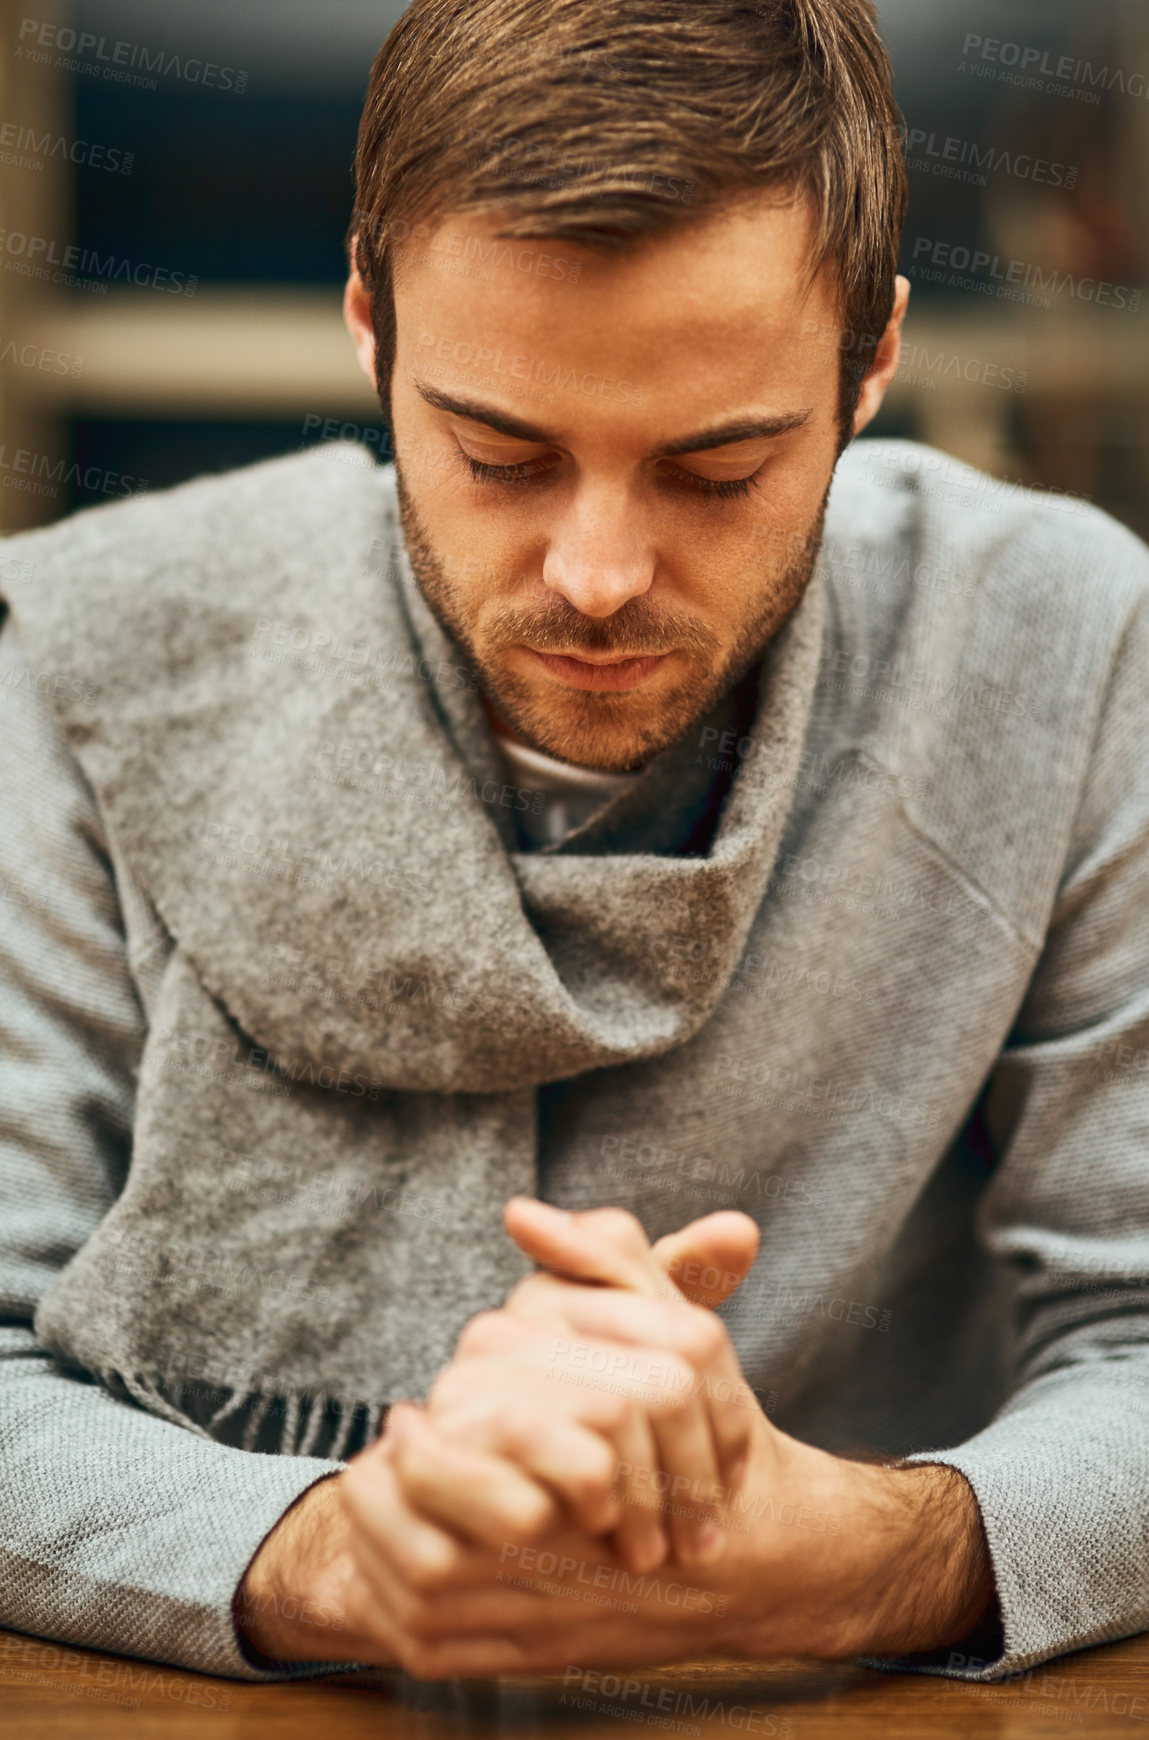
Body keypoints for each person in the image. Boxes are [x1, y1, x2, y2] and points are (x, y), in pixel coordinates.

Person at [2, 0, 1148, 1690]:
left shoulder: (1068, 643)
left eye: (719, 466)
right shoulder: (85, 663)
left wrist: (885, 1559)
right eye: (498, 454)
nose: (597, 573)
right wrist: (320, 1552)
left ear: (873, 361)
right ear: (368, 328)